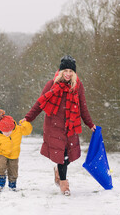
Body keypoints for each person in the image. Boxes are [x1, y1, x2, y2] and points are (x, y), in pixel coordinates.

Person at [22, 55, 96, 196]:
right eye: (65, 70)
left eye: (71, 71)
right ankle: (64, 184)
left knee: (67, 157)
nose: (68, 74)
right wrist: (28, 118)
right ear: (60, 71)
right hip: (54, 126)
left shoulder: (78, 87)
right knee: (63, 156)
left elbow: (83, 108)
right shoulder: (51, 85)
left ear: (74, 73)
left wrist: (90, 124)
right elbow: (40, 103)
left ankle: (58, 171)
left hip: (70, 125)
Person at [0, 109, 33, 192]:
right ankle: (0, 184)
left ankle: (12, 185)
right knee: (1, 167)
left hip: (14, 154)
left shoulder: (18, 130)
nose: (7, 134)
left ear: (12, 128)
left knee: (13, 170)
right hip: (1, 153)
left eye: (9, 131)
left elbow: (28, 131)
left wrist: (25, 122)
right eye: (4, 132)